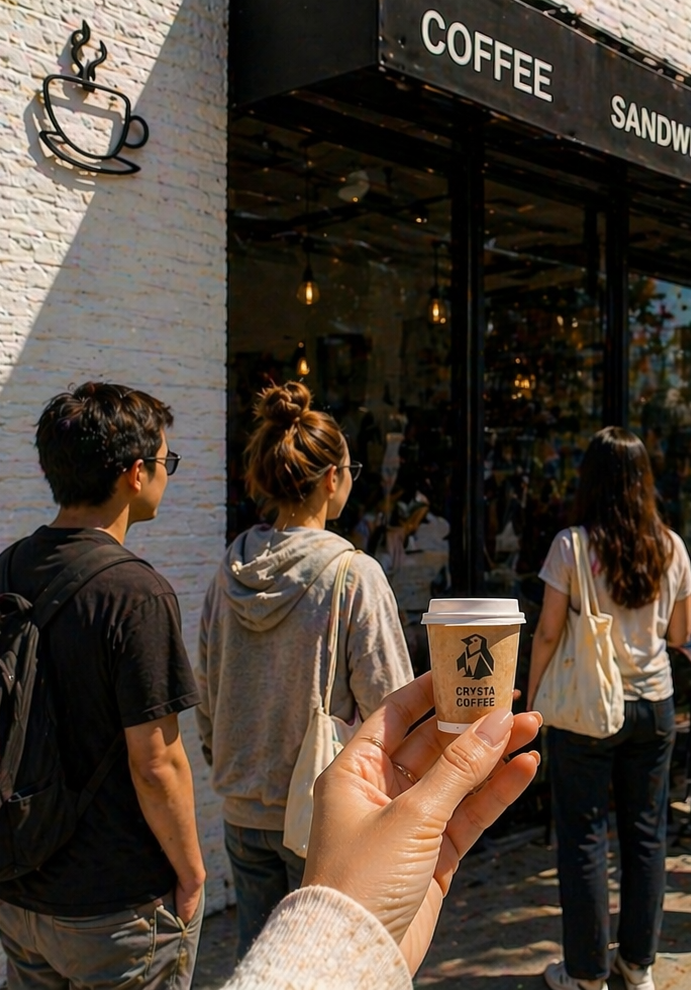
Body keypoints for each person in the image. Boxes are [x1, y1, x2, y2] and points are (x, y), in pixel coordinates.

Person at [0, 383, 205, 990]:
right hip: (115, 906)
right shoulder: (136, 594)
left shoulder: (4, 569)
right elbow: (157, 764)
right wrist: (193, 871)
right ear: (134, 473)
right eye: (165, 462)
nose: (166, 476)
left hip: (20, 890)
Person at [199, 381, 414, 957]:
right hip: (320, 810)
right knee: (322, 962)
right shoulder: (352, 574)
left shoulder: (231, 568)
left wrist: (220, 756)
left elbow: (205, 684)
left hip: (243, 801)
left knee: (259, 957)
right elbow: (393, 703)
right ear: (331, 480)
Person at [220, 676, 543, 989]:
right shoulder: (357, 616)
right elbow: (390, 694)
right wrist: (354, 943)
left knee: (257, 940)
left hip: (247, 808)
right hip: (342, 811)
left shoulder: (217, 617)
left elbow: (210, 700)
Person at [526, 428, 691, 990]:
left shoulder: (571, 546)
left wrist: (531, 701)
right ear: (644, 481)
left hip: (587, 709)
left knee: (583, 836)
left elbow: (548, 632)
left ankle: (586, 972)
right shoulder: (670, 545)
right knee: (646, 835)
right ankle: (638, 965)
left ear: (590, 480)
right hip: (654, 704)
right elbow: (682, 632)